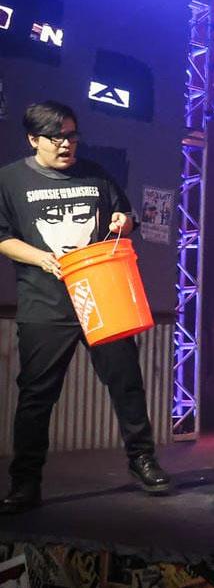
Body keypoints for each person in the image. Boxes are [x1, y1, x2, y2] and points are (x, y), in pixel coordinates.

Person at [0, 101, 170, 514]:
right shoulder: (10, 179)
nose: (66, 145)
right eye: (56, 138)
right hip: (45, 303)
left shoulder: (95, 173)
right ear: (33, 139)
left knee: (126, 382)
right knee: (36, 396)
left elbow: (125, 214)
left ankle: (142, 461)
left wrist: (121, 222)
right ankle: (25, 483)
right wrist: (41, 258)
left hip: (102, 297)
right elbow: (3, 236)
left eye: (72, 136)